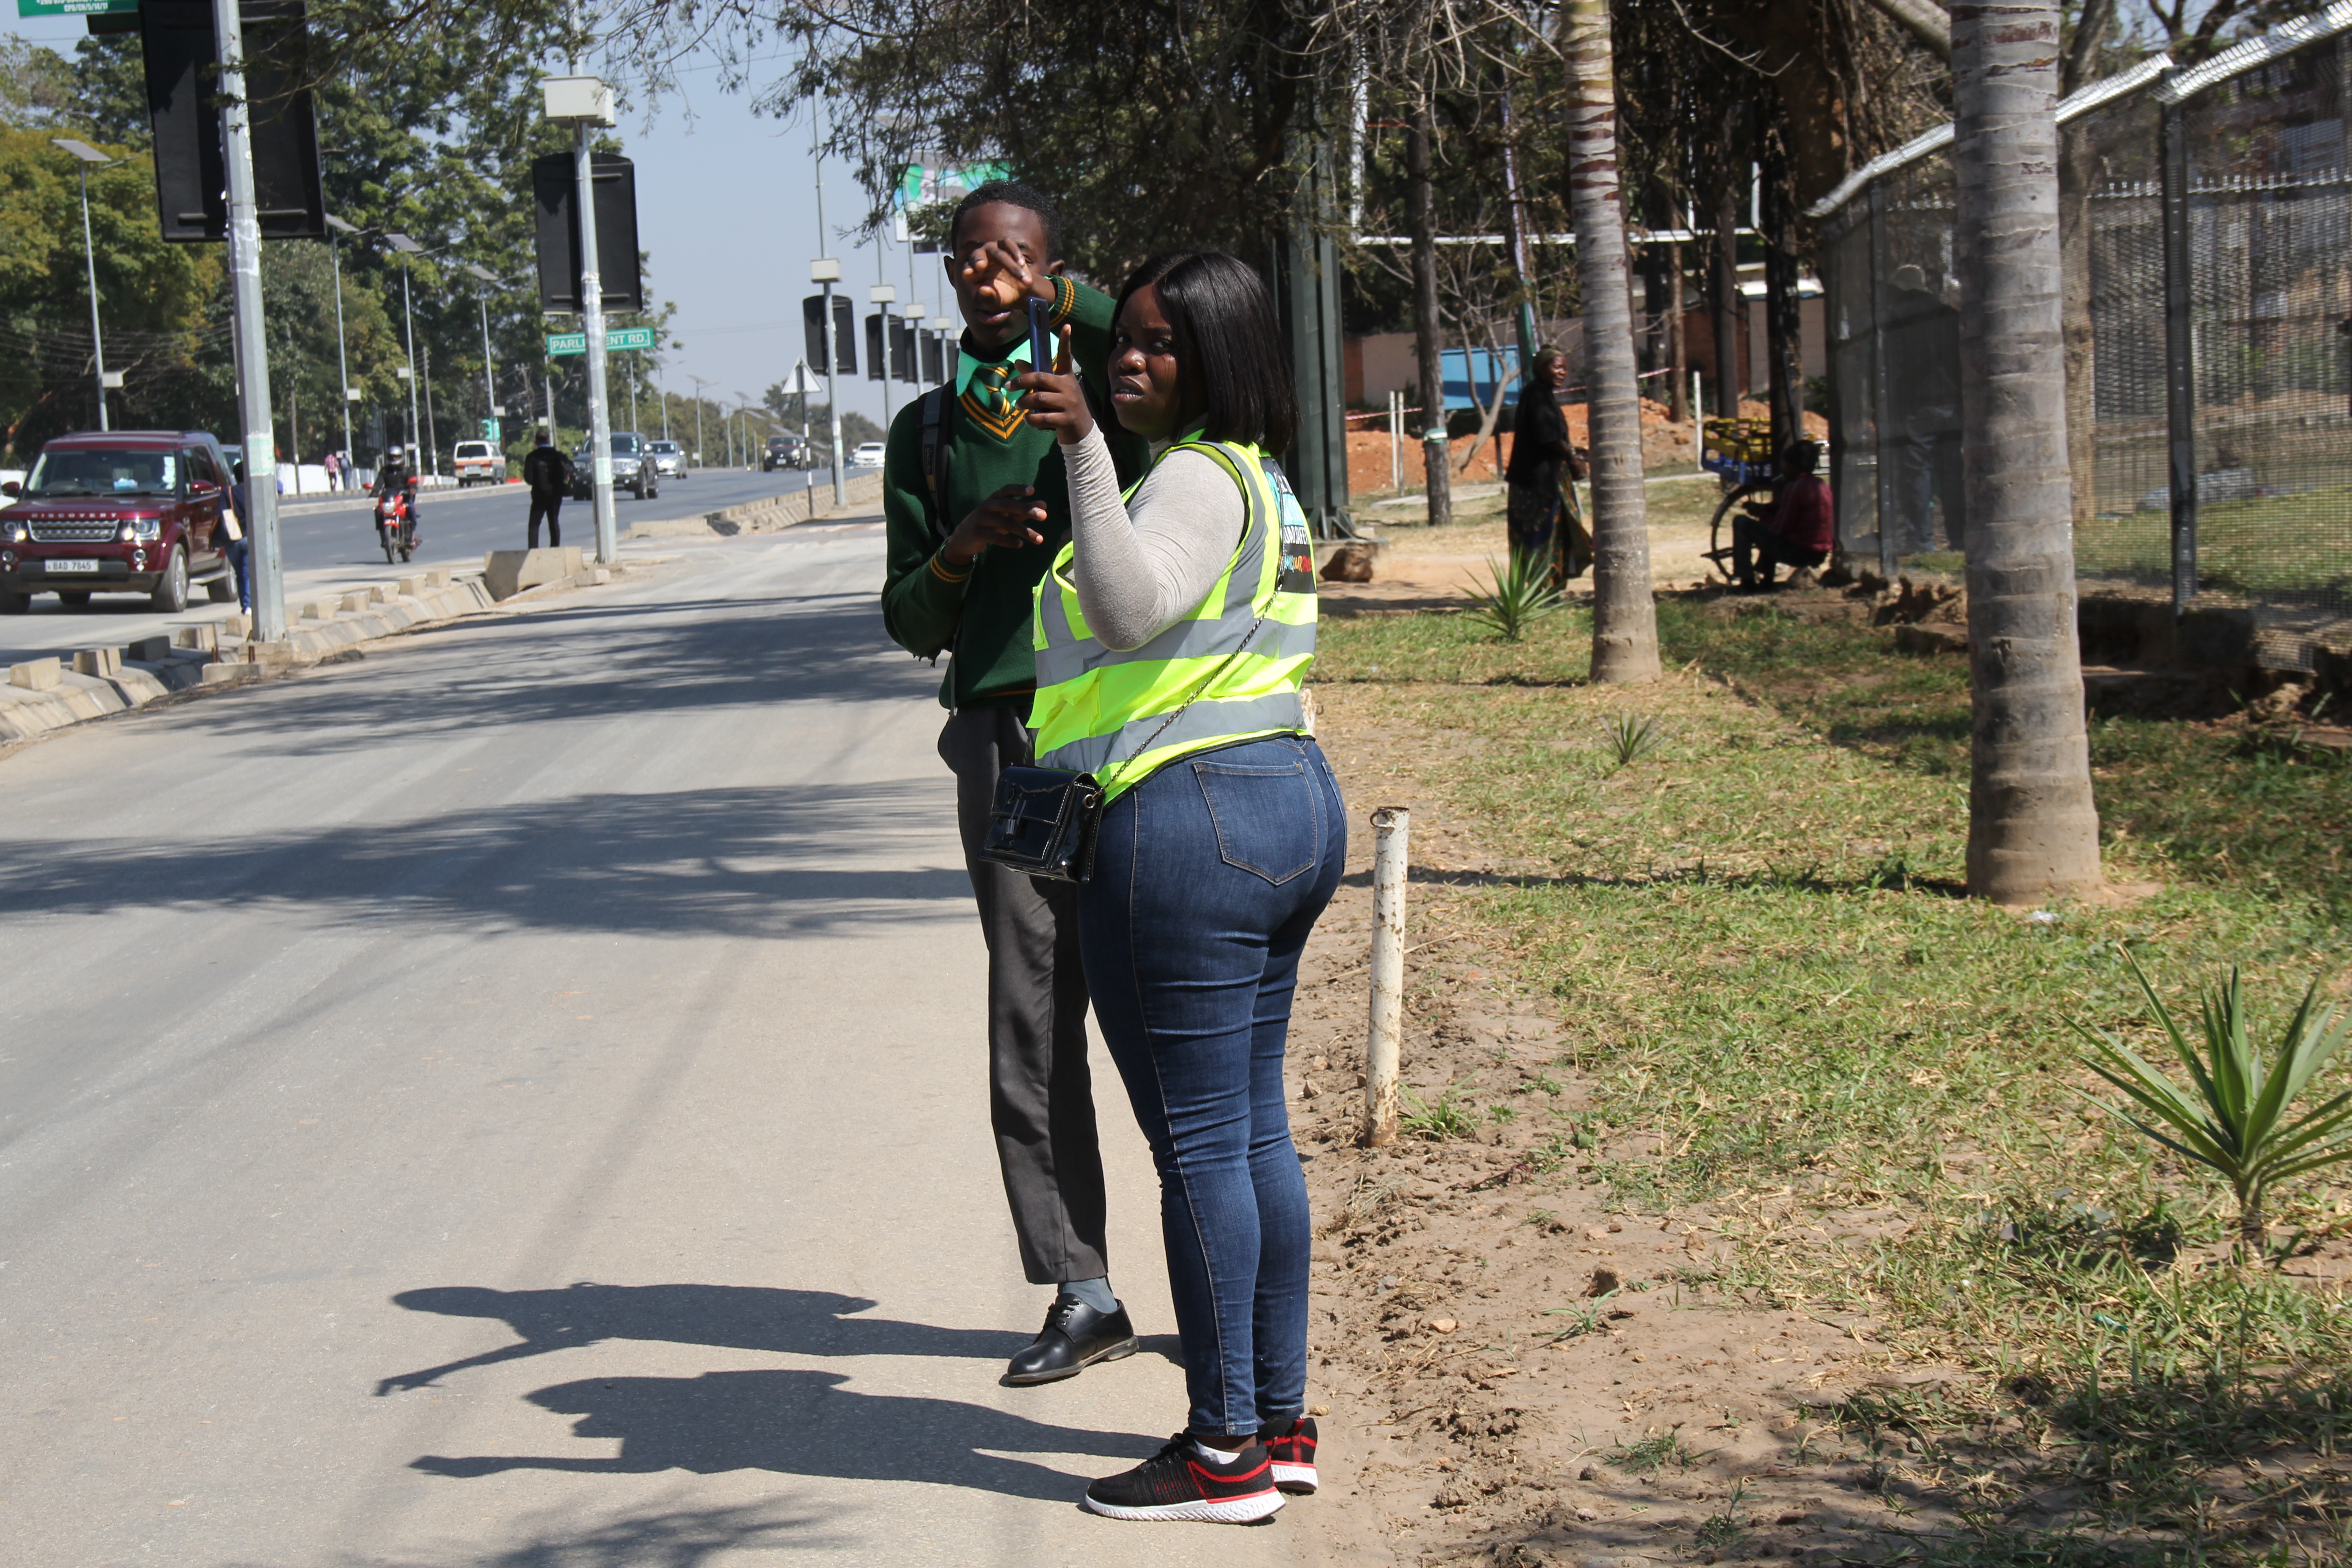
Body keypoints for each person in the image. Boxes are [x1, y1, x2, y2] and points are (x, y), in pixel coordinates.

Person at [1016, 251, 1343, 1525]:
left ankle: (1222, 1456)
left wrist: (1088, 449)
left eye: (1159, 343)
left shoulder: (1195, 476)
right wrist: (1071, 296)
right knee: (1253, 1135)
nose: (1128, 358)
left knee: (1205, 1145)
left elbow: (1131, 607)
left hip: (1187, 827)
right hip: (1282, 803)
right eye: (1122, 339)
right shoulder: (1261, 478)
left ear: (1217, 355)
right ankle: (1277, 1422)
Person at [877, 181, 1151, 1388]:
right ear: (948, 277)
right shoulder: (928, 433)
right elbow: (903, 617)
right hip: (1008, 748)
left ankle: (1220, 1270)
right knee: (1034, 1020)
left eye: (1018, 257)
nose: (992, 273)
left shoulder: (1115, 402)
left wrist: (1082, 333)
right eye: (972, 257)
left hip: (1136, 735)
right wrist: (958, 550)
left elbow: (1180, 351)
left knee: (1170, 1000)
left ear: (1052, 270)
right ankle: (1082, 1285)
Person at [1503, 348, 1592, 584]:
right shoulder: (1537, 395)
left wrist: (1577, 453)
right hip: (1537, 483)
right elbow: (1549, 437)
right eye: (1557, 367)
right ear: (1541, 369)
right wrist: (1573, 458)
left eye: (1565, 368)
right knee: (1541, 537)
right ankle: (1541, 588)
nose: (1563, 373)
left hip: (1543, 479)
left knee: (1551, 535)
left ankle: (1549, 586)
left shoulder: (1543, 394)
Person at [1733, 440, 1835, 589]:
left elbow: (1779, 529)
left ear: (1794, 466)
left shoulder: (1795, 488)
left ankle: (1747, 581)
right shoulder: (1821, 485)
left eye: (1785, 464)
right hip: (1820, 553)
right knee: (1766, 528)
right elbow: (1784, 510)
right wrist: (1765, 509)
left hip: (1800, 552)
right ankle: (1765, 579)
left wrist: (1762, 514)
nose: (1783, 468)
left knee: (1741, 522)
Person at [522, 433, 571, 548]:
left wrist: (540, 483)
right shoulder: (558, 456)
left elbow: (529, 478)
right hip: (556, 494)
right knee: (554, 521)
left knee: (534, 524)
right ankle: (555, 548)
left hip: (539, 495)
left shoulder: (532, 457)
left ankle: (533, 551)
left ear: (536, 442)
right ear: (548, 441)